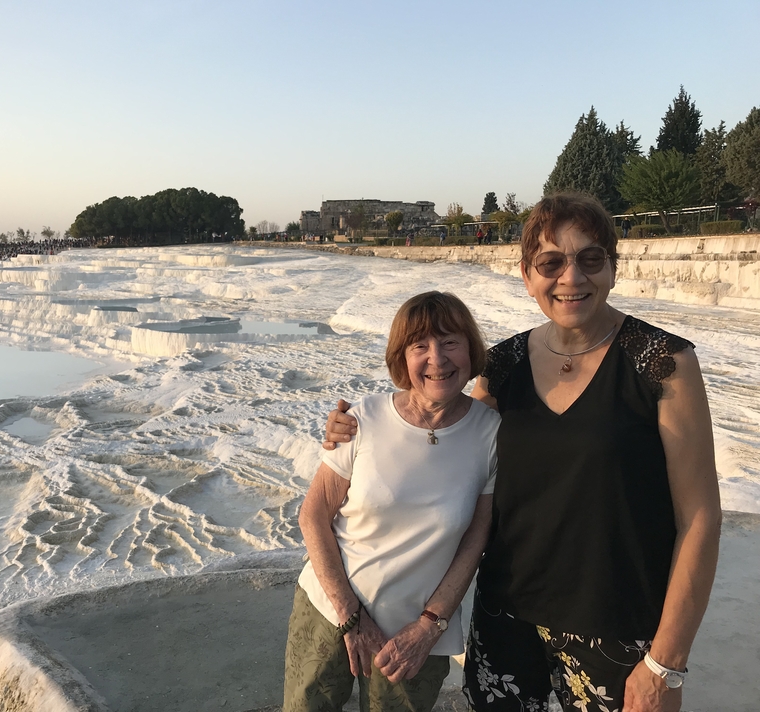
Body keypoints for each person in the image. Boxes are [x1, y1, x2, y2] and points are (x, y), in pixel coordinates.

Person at [324, 192, 721, 712]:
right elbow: (445, 437)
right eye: (551, 263)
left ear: (613, 267)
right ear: (527, 275)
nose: (571, 277)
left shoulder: (662, 362)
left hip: (618, 627)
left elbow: (700, 518)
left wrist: (666, 663)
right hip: (506, 620)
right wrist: (358, 428)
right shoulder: (503, 364)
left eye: (590, 258)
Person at [284, 292, 500, 712]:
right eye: (420, 346)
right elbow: (313, 515)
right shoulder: (362, 419)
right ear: (402, 358)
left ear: (471, 350)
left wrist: (431, 625)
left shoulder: (490, 434)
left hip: (417, 632)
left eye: (450, 342)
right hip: (329, 609)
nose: (437, 359)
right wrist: (350, 616)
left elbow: (476, 539)